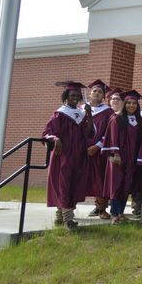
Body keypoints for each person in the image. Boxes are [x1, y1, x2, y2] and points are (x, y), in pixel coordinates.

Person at [43, 81, 93, 231]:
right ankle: (68, 220)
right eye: (72, 95)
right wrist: (55, 138)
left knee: (74, 184)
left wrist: (89, 115)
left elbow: (88, 133)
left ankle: (60, 214)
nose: (75, 97)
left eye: (77, 95)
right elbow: (46, 133)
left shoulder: (82, 114)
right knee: (64, 184)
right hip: (63, 156)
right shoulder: (60, 114)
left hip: (78, 156)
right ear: (66, 96)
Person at [102, 90, 142, 224]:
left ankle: (121, 213)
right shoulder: (117, 118)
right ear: (124, 104)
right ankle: (114, 214)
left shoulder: (139, 120)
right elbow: (112, 137)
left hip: (132, 158)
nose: (131, 105)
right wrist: (115, 153)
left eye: (134, 103)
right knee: (116, 185)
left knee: (126, 184)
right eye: (129, 103)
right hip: (119, 158)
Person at [84, 79, 115, 220]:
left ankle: (101, 208)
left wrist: (97, 146)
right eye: (94, 91)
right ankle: (67, 210)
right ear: (90, 93)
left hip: (99, 150)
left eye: (100, 91)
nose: (96, 93)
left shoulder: (108, 112)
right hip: (82, 150)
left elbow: (109, 132)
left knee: (100, 179)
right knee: (81, 178)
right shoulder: (81, 109)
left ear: (104, 96)